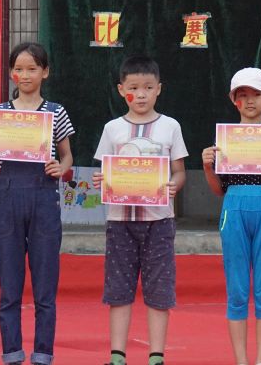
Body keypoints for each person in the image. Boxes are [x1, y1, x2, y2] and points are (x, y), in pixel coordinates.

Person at [0, 42, 74, 365]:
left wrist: (61, 167)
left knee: (45, 285)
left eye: (33, 68)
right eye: (19, 69)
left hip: (44, 197)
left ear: (46, 72)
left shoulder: (56, 111)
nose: (26, 75)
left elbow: (67, 155)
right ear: (11, 73)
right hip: (8, 197)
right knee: (9, 285)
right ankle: (12, 353)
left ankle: (43, 353)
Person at [92, 55, 188, 365]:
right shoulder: (112, 129)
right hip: (119, 221)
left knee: (159, 289)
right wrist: (101, 180)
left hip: (159, 222)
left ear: (159, 89)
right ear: (121, 90)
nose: (141, 94)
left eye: (148, 87)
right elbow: (104, 171)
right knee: (118, 289)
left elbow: (179, 172)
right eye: (133, 88)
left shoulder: (170, 126)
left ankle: (156, 356)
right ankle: (117, 356)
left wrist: (173, 185)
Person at [201, 67, 261, 365]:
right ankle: (242, 361)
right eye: (242, 95)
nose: (250, 101)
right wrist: (207, 166)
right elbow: (218, 190)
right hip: (233, 210)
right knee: (237, 290)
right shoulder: (225, 141)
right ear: (234, 100)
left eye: (256, 94)